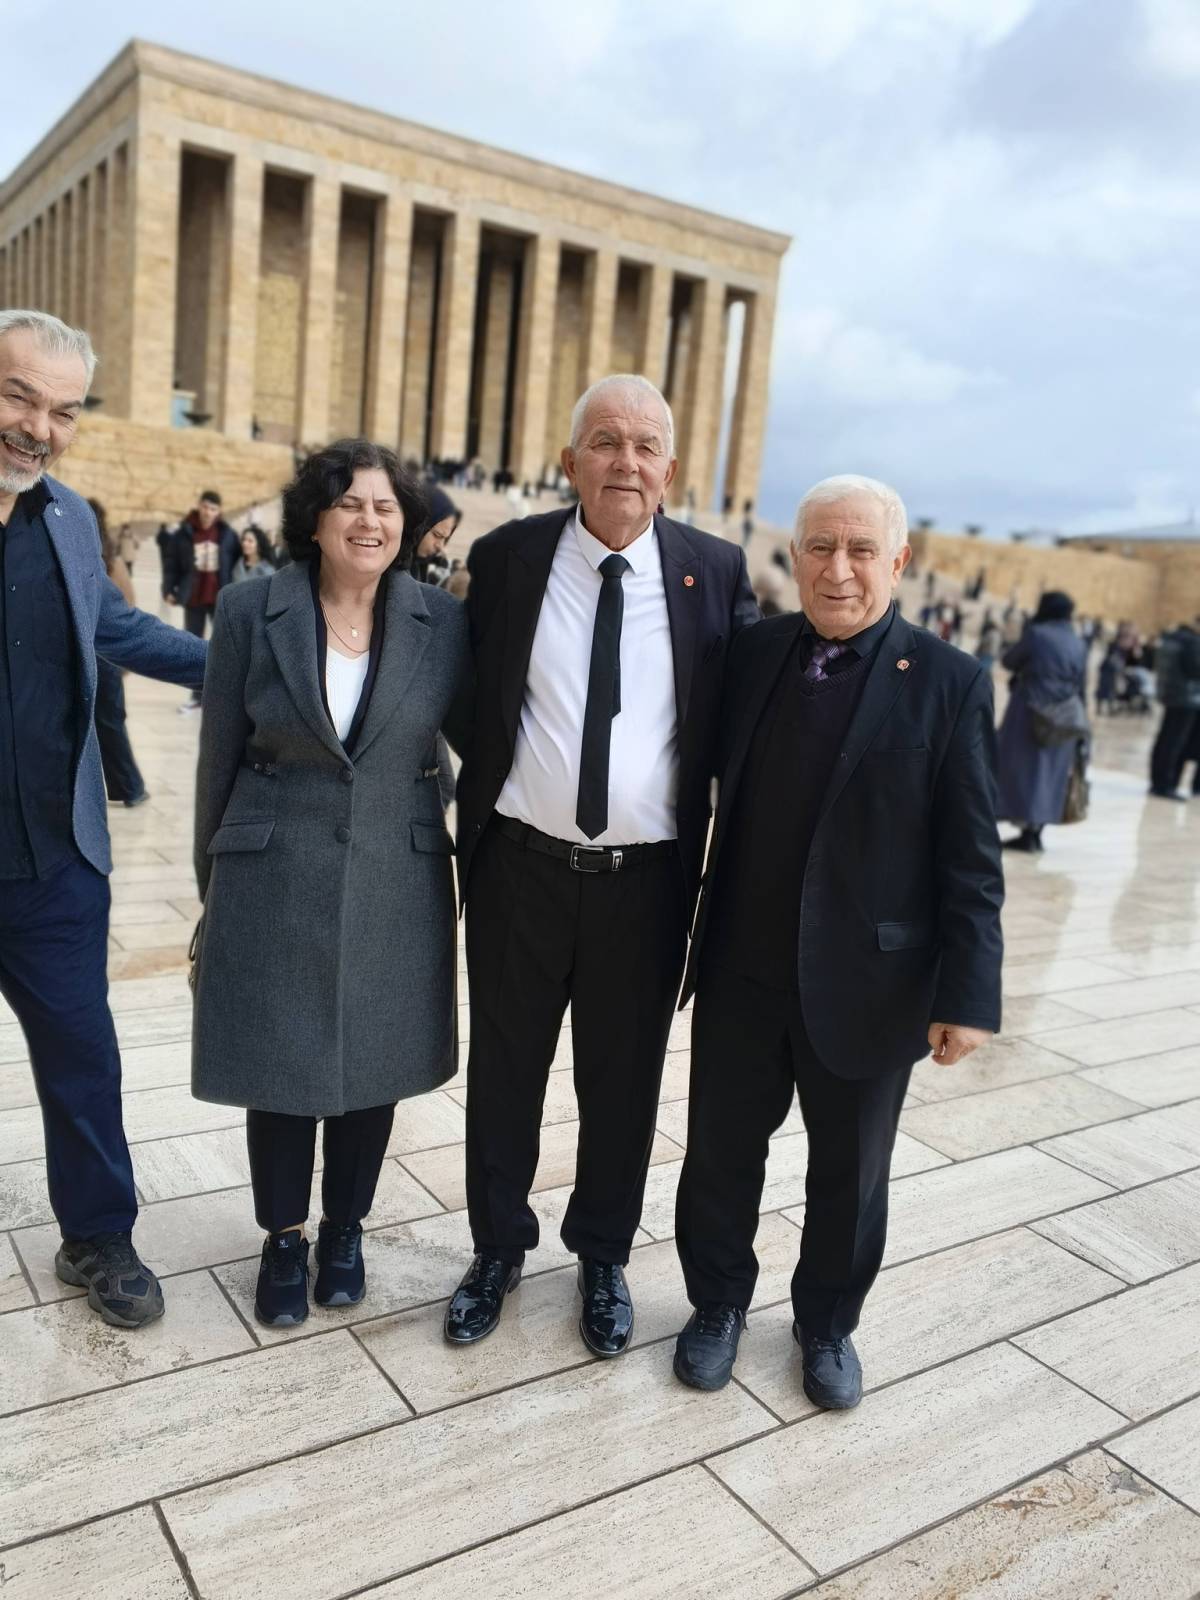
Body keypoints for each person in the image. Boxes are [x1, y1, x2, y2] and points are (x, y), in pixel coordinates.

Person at [670, 473, 1003, 1404]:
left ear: (898, 562)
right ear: (794, 556)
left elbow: (971, 858)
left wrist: (966, 996)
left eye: (862, 551)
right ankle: (717, 1305)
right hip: (743, 963)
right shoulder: (753, 654)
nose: (840, 569)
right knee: (721, 1154)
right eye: (821, 547)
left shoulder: (948, 681)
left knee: (849, 1174)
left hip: (872, 981)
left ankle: (825, 1326)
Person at [448, 373, 758, 1355]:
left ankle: (603, 1255)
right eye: (607, 440)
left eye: (647, 445)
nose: (627, 460)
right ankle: (497, 1246)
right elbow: (466, 692)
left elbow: (742, 719)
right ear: (570, 457)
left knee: (622, 1084)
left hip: (646, 885)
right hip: (520, 873)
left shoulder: (715, 570)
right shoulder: (506, 559)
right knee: (505, 1074)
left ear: (670, 468)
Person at [192, 439, 470, 1327]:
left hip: (400, 867)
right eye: (349, 503)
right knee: (281, 1064)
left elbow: (467, 743)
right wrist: (214, 889)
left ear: (408, 526)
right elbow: (217, 759)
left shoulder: (442, 621)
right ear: (313, 519)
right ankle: (284, 1237)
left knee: (374, 1060)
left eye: (386, 507)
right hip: (274, 867)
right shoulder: (249, 610)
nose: (370, 519)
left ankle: (345, 1230)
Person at [0, 310, 206, 1327]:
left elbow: (117, 629)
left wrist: (252, 664)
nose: (38, 426)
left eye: (63, 409)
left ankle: (100, 1237)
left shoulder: (71, 521)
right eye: (18, 396)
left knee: (83, 1055)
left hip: (53, 862)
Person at [996, 591, 1089, 851]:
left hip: (1031, 709)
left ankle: (1025, 831)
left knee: (1025, 771)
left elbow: (1009, 660)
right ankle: (1036, 832)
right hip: (1066, 714)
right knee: (1051, 774)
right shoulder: (1078, 642)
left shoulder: (1038, 634)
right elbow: (1082, 684)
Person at [88, 498, 149, 808]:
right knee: (109, 723)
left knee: (108, 723)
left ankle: (130, 787)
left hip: (101, 656)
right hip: (107, 656)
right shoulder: (111, 562)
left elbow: (123, 610)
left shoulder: (103, 563)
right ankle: (127, 788)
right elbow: (130, 606)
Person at [162, 488, 240, 711]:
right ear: (199, 506)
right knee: (194, 647)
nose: (208, 512)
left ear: (219, 512)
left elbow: (237, 564)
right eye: (205, 507)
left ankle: (223, 695)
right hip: (194, 597)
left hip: (220, 599)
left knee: (225, 647)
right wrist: (169, 589)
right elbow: (171, 564)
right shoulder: (184, 533)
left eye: (213, 509)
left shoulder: (227, 535)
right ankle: (197, 697)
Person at [1148, 618, 1200, 800]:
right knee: (1173, 743)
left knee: (1165, 740)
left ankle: (1159, 782)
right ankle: (1164, 785)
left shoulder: (1173, 639)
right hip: (1186, 699)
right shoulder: (1192, 642)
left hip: (1173, 696)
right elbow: (1195, 669)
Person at [413, 486, 461, 584]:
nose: (440, 547)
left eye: (445, 539)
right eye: (437, 535)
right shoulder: (387, 570)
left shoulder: (420, 563)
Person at [975, 609, 1002, 675]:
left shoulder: (991, 633)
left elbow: (984, 642)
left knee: (982, 669)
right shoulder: (998, 634)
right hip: (992, 654)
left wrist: (978, 650)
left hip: (986, 653)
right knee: (986, 669)